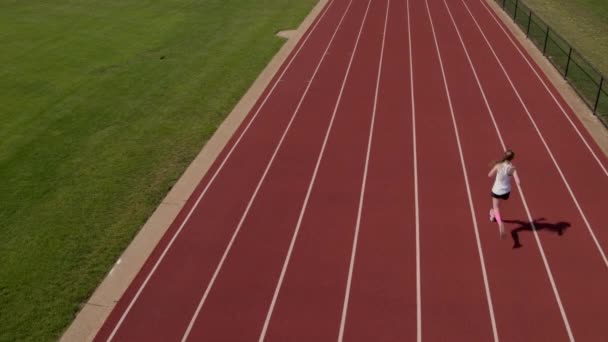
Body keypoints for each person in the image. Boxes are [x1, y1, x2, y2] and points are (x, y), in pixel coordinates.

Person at [488, 149, 520, 238]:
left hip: (497, 190)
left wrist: (495, 168)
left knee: (496, 207)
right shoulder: (513, 168)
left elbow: (489, 175)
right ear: (512, 158)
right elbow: (518, 181)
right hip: (506, 192)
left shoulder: (498, 165)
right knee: (495, 208)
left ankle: (500, 223)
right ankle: (492, 214)